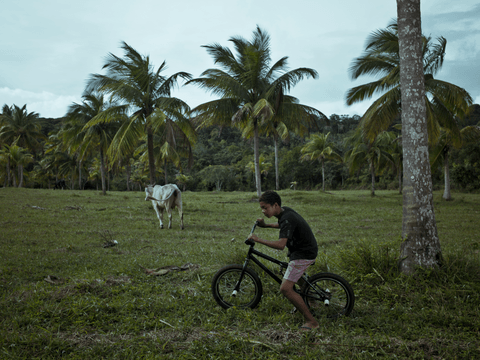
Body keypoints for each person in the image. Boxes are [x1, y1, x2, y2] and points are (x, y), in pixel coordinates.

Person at [247, 190, 319, 331]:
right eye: (261, 208)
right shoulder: (284, 212)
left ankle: (312, 322)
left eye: (265, 207)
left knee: (285, 289)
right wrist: (266, 225)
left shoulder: (287, 218)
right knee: (294, 276)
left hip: (303, 254)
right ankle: (312, 300)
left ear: (275, 205)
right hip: (302, 250)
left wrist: (258, 239)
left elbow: (280, 245)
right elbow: (283, 226)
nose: (263, 211)